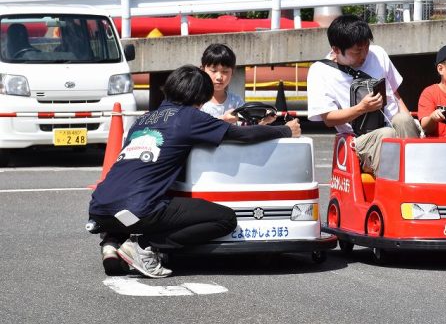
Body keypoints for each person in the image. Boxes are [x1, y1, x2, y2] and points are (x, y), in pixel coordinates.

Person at [88, 65, 301, 278]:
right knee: (225, 218)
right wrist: (285, 130)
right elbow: (241, 136)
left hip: (100, 207)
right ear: (199, 97)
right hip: (139, 209)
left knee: (136, 199)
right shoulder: (189, 116)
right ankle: (144, 246)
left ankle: (111, 243)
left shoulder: (143, 119)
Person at [307, 15, 419, 176]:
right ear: (336, 49)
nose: (364, 54)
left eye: (366, 46)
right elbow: (329, 119)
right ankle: (395, 189)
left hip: (394, 127)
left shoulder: (378, 54)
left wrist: (412, 123)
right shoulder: (320, 71)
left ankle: (416, 176)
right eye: (357, 51)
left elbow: (395, 94)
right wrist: (361, 108)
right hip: (359, 140)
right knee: (386, 135)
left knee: (404, 120)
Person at [199, 43, 246, 124]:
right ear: (203, 70)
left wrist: (262, 122)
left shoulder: (236, 101)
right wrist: (222, 119)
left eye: (225, 71)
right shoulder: (196, 101)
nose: (219, 77)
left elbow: (246, 128)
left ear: (232, 72)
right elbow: (194, 127)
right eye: (213, 71)